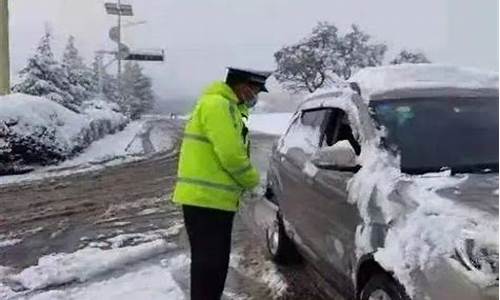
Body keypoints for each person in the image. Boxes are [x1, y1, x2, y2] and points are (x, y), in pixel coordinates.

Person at [173, 67, 271, 300]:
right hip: (206, 200)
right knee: (210, 265)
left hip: (213, 200)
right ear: (243, 85)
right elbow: (231, 154)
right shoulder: (218, 105)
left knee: (212, 264)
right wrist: (253, 182)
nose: (256, 95)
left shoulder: (228, 107)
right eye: (255, 89)